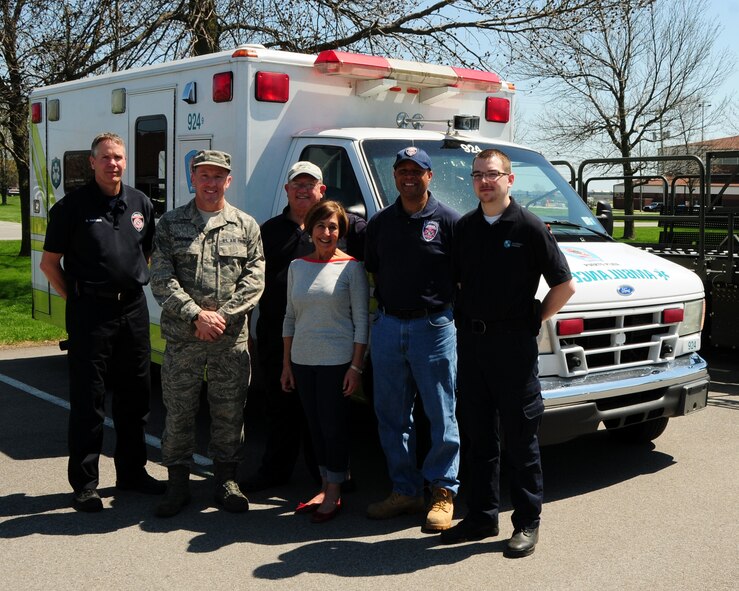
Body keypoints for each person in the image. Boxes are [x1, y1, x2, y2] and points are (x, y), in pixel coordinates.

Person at [441, 148, 575, 557]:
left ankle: (526, 523)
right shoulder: (464, 228)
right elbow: (458, 284)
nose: (485, 181)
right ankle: (482, 517)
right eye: (478, 174)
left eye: (493, 174)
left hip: (514, 349)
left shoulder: (530, 227)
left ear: (509, 180)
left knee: (520, 439)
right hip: (473, 345)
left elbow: (564, 285)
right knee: (478, 436)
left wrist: (536, 319)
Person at [39, 132, 164, 512]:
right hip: (90, 312)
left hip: (133, 311)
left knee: (136, 397)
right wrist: (76, 298)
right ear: (92, 162)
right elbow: (49, 264)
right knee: (89, 401)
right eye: (106, 157)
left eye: (119, 157)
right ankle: (85, 483)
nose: (114, 163)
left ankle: (132, 473)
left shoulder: (140, 202)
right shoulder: (71, 208)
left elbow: (148, 253)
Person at [150, 150, 265, 517]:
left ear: (228, 181)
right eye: (205, 176)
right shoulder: (170, 224)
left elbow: (254, 279)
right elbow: (162, 279)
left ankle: (226, 481)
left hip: (230, 342)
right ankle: (177, 484)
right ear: (193, 178)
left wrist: (222, 318)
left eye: (219, 177)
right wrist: (197, 315)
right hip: (184, 339)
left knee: (229, 412)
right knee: (179, 412)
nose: (211, 183)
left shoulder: (245, 226)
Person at [240, 161, 366, 492]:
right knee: (279, 409)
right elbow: (251, 282)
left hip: (325, 340)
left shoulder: (340, 228)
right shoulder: (269, 231)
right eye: (297, 184)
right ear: (287, 189)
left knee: (324, 415)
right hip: (277, 336)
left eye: (310, 185)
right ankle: (274, 472)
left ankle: (325, 477)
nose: (302, 189)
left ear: (322, 191)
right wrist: (249, 332)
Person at [364, 146, 461, 532]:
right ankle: (405, 490)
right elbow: (373, 269)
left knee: (441, 413)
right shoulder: (380, 223)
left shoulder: (450, 221)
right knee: (391, 414)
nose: (408, 177)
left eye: (416, 171)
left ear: (429, 176)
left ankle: (442, 491)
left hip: (433, 328)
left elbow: (463, 277)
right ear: (395, 176)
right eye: (402, 170)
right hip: (387, 326)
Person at [280, 200, 369, 523]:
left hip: (337, 362)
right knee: (315, 427)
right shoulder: (297, 267)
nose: (327, 232)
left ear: (340, 231)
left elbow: (362, 322)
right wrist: (287, 365)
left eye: (333, 227)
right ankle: (324, 482)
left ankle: (334, 490)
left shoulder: (352, 268)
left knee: (334, 427)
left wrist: (356, 367)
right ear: (310, 229)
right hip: (303, 360)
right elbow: (290, 318)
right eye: (321, 226)